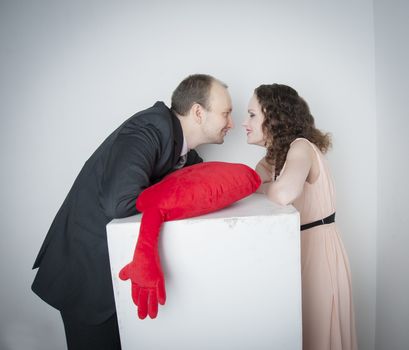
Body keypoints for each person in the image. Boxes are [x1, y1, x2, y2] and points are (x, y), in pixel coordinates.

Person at [31, 74, 233, 350]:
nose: (230, 124)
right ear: (198, 112)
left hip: (122, 276)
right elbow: (120, 201)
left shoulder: (187, 155)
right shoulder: (151, 126)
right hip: (88, 271)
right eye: (226, 113)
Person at [242, 84, 357, 350]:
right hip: (291, 251)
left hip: (318, 249)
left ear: (273, 116)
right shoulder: (267, 163)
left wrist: (258, 187)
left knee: (318, 334)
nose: (244, 123)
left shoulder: (301, 147)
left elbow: (283, 194)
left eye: (251, 114)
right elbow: (248, 195)